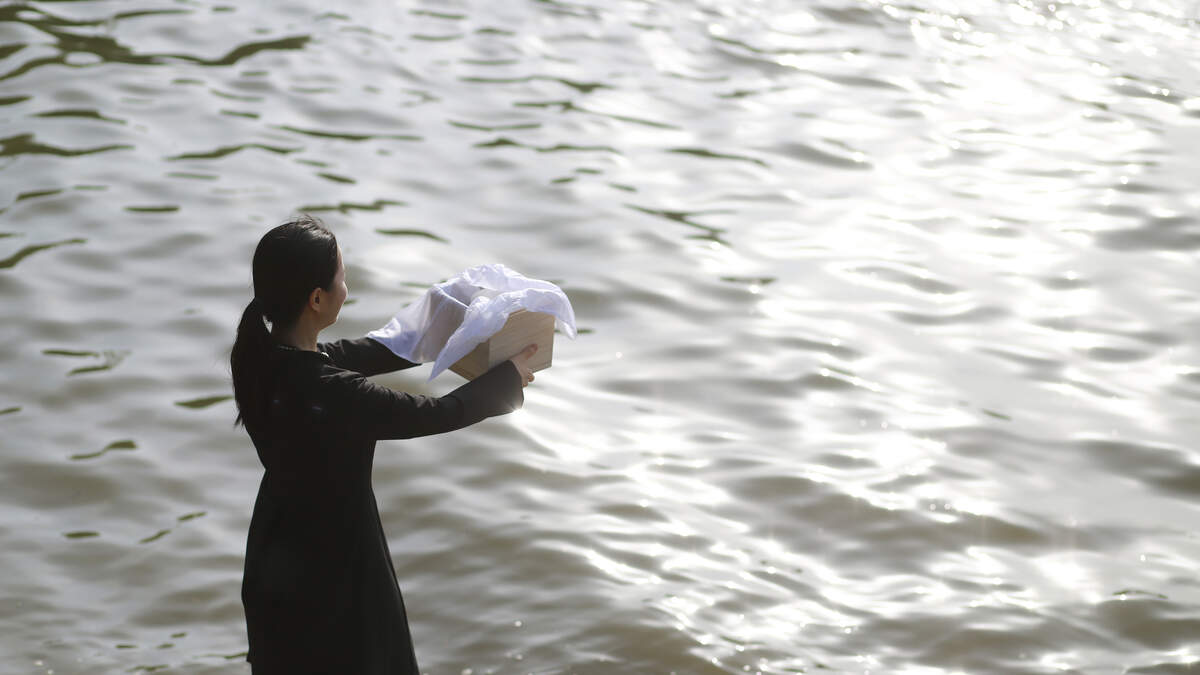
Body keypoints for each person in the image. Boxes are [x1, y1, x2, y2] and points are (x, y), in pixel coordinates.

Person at [230, 215, 537, 674]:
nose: (346, 287)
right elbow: (436, 413)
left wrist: (443, 313)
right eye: (341, 277)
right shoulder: (332, 392)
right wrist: (508, 378)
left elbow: (376, 348)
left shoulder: (259, 360)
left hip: (276, 554)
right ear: (317, 299)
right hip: (336, 567)